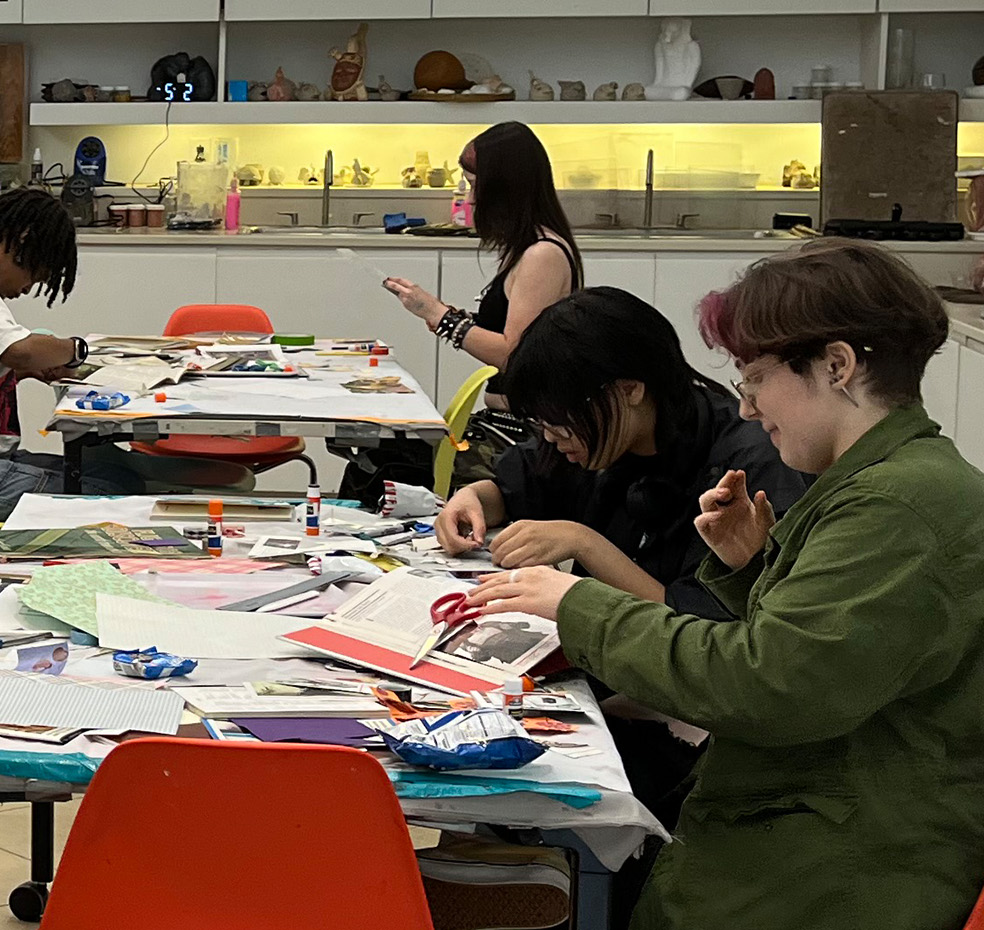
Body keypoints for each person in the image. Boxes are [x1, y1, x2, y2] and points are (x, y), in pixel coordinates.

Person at [466, 239, 984, 930]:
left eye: (757, 379)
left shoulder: (897, 506)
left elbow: (767, 684)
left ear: (837, 366)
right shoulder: (877, 483)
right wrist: (754, 570)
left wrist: (576, 604)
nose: (745, 408)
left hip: (836, 866)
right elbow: (837, 653)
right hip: (805, 824)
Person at [437, 286, 805, 621]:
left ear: (630, 390)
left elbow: (696, 624)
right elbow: (519, 484)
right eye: (541, 424)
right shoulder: (601, 437)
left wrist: (584, 543)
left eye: (561, 423)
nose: (551, 438)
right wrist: (472, 499)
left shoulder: (745, 468)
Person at [0, 188, 247, 523]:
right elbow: (21, 350)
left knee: (113, 475)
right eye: (33, 276)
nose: (24, 290)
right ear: (22, 241)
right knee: (110, 495)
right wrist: (76, 350)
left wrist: (23, 372)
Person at [382, 121, 582, 372]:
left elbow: (514, 355)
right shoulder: (530, 248)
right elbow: (509, 330)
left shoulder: (543, 255)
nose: (471, 199)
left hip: (518, 412)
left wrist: (438, 315)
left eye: (476, 186)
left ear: (506, 189)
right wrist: (450, 316)